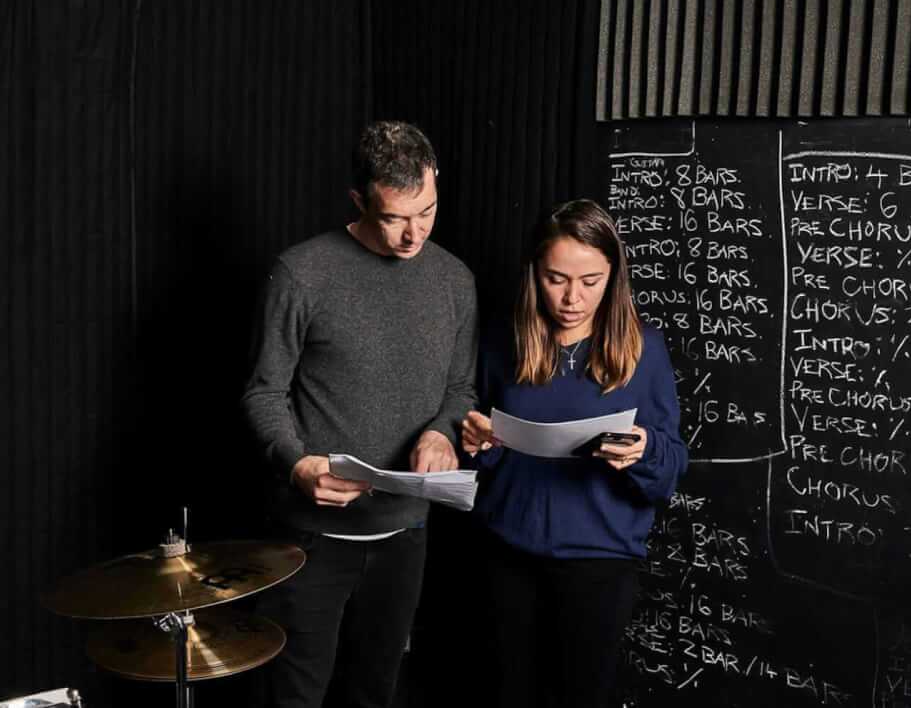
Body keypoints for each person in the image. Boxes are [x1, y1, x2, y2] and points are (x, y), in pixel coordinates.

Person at [242, 121, 478, 708]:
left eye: (426, 211)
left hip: (406, 534)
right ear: (357, 200)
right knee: (295, 693)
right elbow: (263, 392)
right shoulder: (302, 272)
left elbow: (461, 389)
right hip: (312, 539)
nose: (412, 234)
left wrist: (441, 432)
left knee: (376, 690)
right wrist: (297, 465)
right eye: (394, 217)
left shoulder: (455, 280)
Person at [462, 199, 688, 708]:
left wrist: (646, 454)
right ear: (534, 274)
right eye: (556, 278)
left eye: (591, 281)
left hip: (599, 562)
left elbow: (669, 473)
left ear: (613, 276)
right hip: (508, 553)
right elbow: (479, 463)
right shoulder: (502, 342)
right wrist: (478, 446)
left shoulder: (644, 351)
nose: (572, 298)